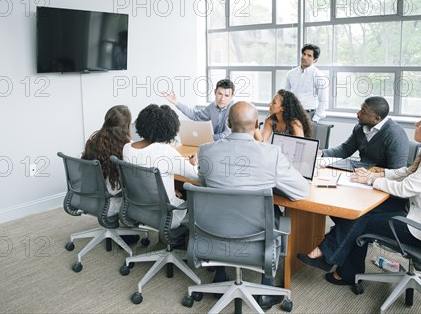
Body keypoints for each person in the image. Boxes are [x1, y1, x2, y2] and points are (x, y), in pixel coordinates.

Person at [297, 106, 421, 286]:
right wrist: (376, 175)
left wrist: (370, 181)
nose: (417, 124)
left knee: (360, 216)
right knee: (359, 213)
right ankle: (339, 264)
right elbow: (406, 172)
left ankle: (331, 258)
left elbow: (405, 188)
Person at [198, 101, 310, 310]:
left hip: (214, 231)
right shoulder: (272, 154)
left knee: (222, 207)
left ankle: (220, 275)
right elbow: (302, 191)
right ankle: (266, 290)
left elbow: (205, 186)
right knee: (275, 213)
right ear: (257, 124)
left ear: (228, 123)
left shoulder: (205, 151)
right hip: (257, 235)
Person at [122, 104, 199, 229]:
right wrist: (194, 164)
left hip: (137, 209)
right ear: (169, 128)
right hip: (166, 215)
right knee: (191, 195)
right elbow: (197, 176)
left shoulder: (127, 148)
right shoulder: (165, 151)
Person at [81, 105, 139, 244]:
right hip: (112, 201)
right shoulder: (128, 147)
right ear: (126, 125)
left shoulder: (93, 140)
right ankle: (129, 230)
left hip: (90, 198)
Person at [320, 96, 408, 169]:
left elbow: (397, 171)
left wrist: (371, 177)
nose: (358, 114)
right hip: (361, 176)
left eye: (363, 112)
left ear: (376, 119)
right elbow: (346, 149)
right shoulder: (360, 127)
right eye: (360, 109)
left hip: (381, 182)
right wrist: (323, 153)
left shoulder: (395, 135)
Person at [163, 78, 235, 141]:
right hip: (214, 144)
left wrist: (205, 137)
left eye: (226, 95)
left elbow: (226, 136)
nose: (222, 99)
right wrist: (176, 102)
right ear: (215, 92)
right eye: (220, 94)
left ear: (232, 96)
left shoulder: (234, 110)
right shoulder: (213, 106)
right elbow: (196, 115)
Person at [284, 44, 329, 122]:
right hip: (292, 114)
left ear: (315, 60)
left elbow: (323, 100)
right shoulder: (291, 73)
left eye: (309, 55)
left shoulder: (319, 76)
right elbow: (286, 96)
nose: (304, 57)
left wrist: (315, 119)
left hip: (309, 114)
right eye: (304, 54)